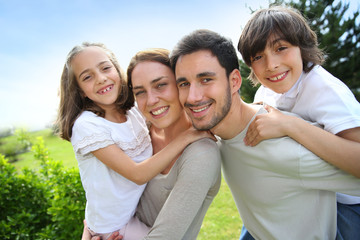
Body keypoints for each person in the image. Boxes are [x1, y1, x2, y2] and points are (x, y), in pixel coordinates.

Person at [170, 29, 360, 240]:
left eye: (206, 79)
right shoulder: (217, 131)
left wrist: (292, 126)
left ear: (234, 81)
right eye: (184, 84)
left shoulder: (284, 146)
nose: (193, 97)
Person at [57, 43, 213, 240]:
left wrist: (256, 108)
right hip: (112, 229)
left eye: (105, 68)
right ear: (80, 91)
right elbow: (138, 175)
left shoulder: (133, 114)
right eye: (87, 77)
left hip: (127, 219)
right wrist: (188, 136)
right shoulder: (87, 126)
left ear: (117, 70)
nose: (101, 78)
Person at [237, 6, 360, 240]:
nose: (271, 64)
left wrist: (289, 125)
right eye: (258, 57)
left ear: (302, 48)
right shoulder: (265, 93)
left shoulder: (325, 90)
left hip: (347, 204)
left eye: (281, 48)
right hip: (297, 193)